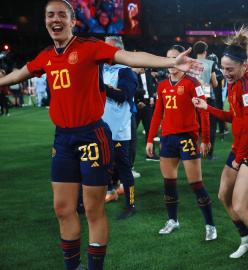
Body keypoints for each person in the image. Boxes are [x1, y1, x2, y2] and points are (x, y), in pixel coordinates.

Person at [0, 1, 203, 269]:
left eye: (62, 14)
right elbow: (19, 74)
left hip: (92, 136)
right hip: (62, 140)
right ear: (46, 21)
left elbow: (130, 57)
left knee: (93, 208)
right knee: (62, 209)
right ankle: (73, 267)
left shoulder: (88, 47)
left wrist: (169, 62)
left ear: (73, 22)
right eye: (50, 15)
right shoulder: (46, 56)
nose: (56, 19)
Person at [192, 26, 248, 270]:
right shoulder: (234, 84)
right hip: (241, 145)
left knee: (240, 205)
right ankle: (246, 239)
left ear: (244, 66)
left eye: (230, 69)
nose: (226, 73)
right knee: (224, 195)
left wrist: (238, 158)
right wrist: (206, 107)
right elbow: (233, 117)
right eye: (223, 68)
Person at [146, 45, 217, 241]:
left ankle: (210, 225)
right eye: (169, 58)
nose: (172, 62)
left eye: (175, 57)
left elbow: (203, 111)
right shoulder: (161, 85)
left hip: (188, 138)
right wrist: (150, 139)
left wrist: (206, 139)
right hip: (167, 139)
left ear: (184, 60)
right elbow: (157, 114)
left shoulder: (193, 82)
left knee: (196, 184)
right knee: (169, 183)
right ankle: (172, 221)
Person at [101, 36, 138, 219]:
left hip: (118, 129)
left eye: (107, 48)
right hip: (100, 127)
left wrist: (101, 87)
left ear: (118, 51)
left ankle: (130, 204)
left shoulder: (126, 72)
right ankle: (111, 189)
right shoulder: (101, 68)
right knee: (103, 163)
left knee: (123, 166)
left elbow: (123, 95)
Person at [192, 41, 219, 161]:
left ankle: (192, 152)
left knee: (194, 127)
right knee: (210, 126)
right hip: (207, 98)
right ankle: (209, 154)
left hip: (193, 99)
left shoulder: (191, 63)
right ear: (205, 51)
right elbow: (215, 83)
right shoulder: (211, 63)